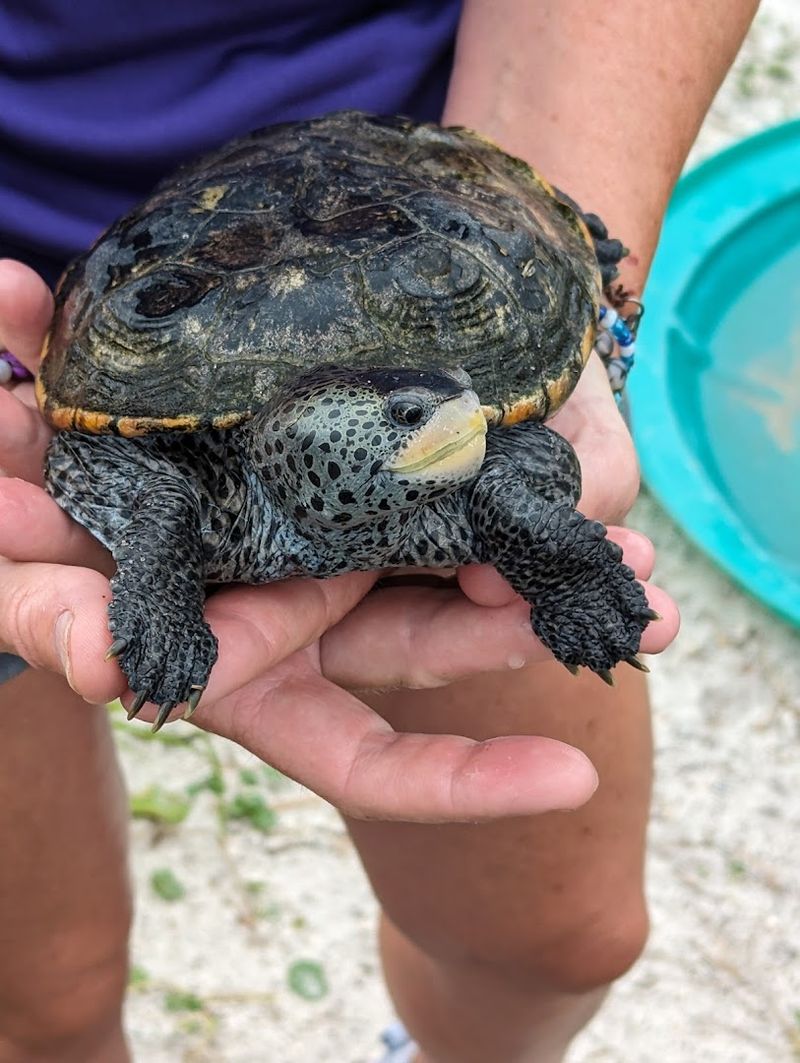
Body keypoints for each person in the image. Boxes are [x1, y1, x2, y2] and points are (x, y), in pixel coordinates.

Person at [0, 2, 755, 1061]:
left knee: (555, 937)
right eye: (412, 423)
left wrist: (561, 551)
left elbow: (507, 457)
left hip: (431, 201)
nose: (450, 424)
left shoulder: (460, 440)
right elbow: (150, 489)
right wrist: (159, 591)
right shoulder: (200, 480)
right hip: (89, 305)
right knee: (45, 989)